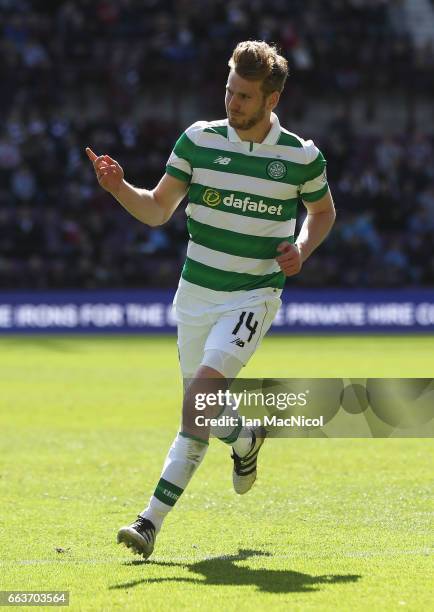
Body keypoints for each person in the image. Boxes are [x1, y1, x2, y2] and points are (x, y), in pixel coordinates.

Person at [86, 40, 336, 560]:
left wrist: (303, 249)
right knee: (199, 411)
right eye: (228, 91)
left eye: (244, 95)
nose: (232, 102)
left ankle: (148, 523)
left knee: (198, 397)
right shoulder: (198, 141)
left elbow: (324, 212)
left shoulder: (300, 156)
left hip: (253, 293)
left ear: (271, 99)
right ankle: (244, 438)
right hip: (195, 294)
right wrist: (119, 189)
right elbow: (157, 210)